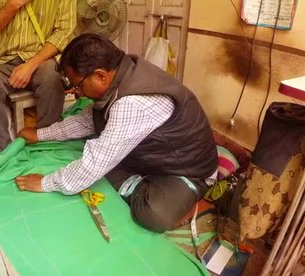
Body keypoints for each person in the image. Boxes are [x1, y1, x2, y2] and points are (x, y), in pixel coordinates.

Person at [15, 34, 218, 232]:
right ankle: (128, 176)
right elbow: (89, 120)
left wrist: (46, 182)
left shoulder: (132, 102)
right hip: (156, 156)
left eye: (78, 85)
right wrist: (42, 134)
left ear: (101, 75)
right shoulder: (124, 71)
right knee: (92, 149)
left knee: (154, 214)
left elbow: (94, 162)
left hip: (185, 171)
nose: (76, 92)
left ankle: (135, 183)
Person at [0, 0, 76, 154]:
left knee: (52, 77)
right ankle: (3, 152)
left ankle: (45, 141)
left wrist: (31, 65)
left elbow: (64, 32)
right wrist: (12, 5)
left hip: (41, 57)